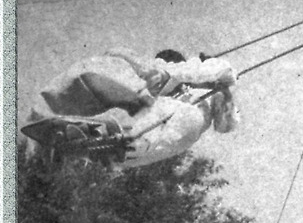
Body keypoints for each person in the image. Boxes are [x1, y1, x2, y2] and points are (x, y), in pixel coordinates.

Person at [21, 48, 239, 170]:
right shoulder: (183, 91)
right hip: (179, 135)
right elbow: (225, 125)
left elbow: (211, 72)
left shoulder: (211, 80)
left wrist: (225, 93)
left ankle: (111, 139)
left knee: (145, 123)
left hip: (184, 118)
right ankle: (99, 146)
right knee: (139, 146)